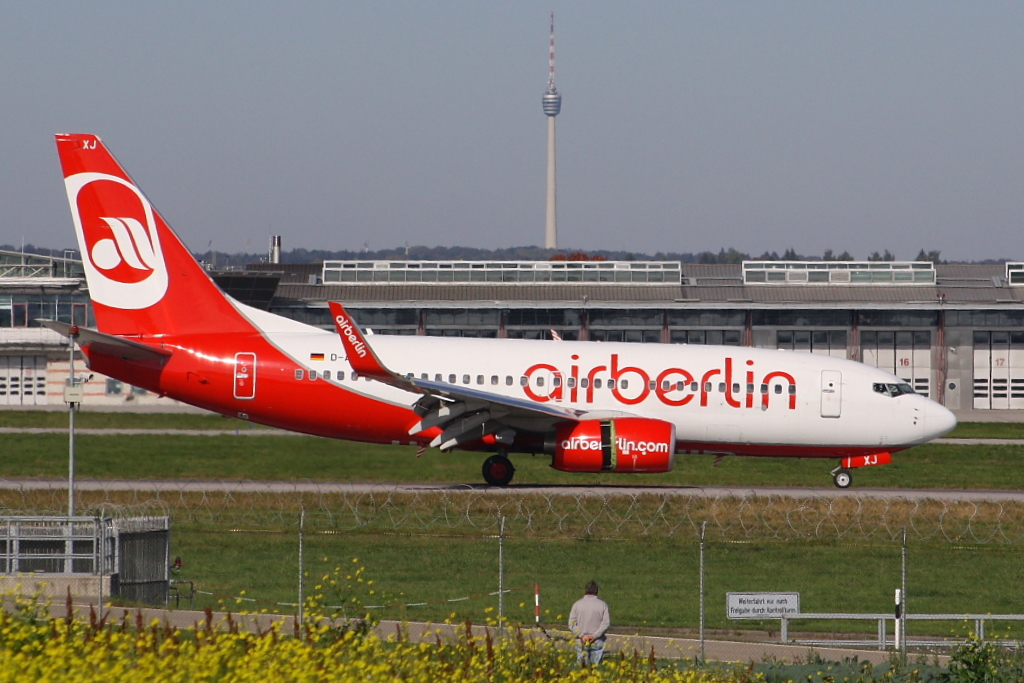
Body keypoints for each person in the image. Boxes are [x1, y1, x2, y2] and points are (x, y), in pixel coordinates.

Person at [568, 581, 610, 666]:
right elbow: (606, 623)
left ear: (585, 591)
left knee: (582, 668)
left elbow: (571, 624)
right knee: (596, 668)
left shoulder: (577, 604)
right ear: (597, 591)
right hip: (597, 640)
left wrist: (582, 635)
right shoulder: (603, 605)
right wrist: (594, 636)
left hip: (581, 641)